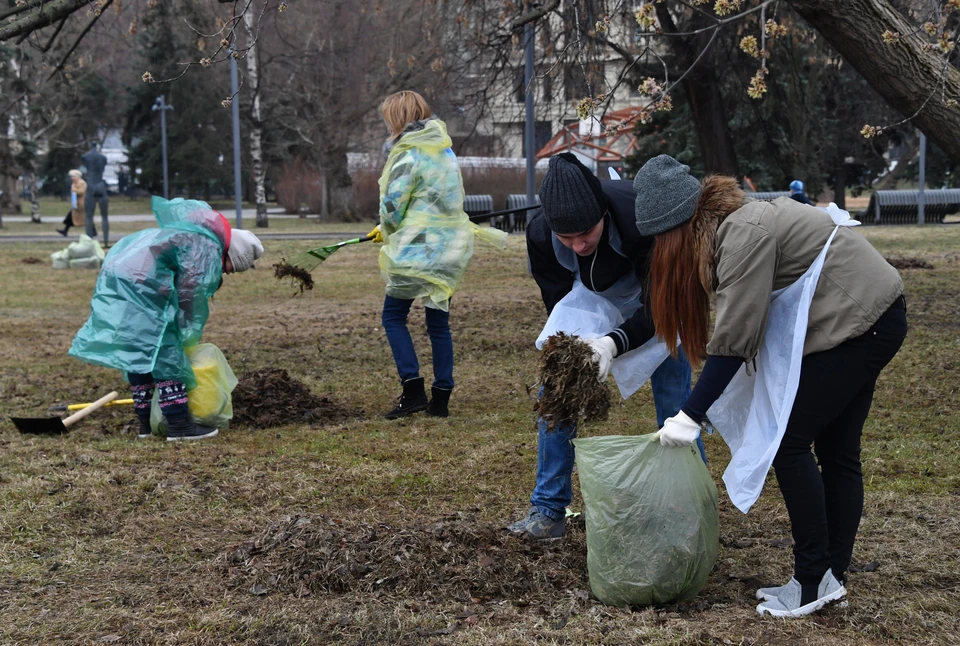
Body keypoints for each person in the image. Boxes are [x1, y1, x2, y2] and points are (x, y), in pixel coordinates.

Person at [633, 155, 906, 617]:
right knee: (837, 449)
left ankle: (811, 578)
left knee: (790, 443)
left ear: (680, 224)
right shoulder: (732, 227)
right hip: (871, 315)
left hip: (861, 321)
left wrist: (689, 415)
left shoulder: (742, 234)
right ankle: (827, 577)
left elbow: (735, 338)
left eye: (661, 237)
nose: (660, 248)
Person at [506, 152, 706, 541]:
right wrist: (577, 352)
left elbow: (657, 308)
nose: (579, 246)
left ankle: (689, 507)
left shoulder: (640, 219)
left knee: (675, 402)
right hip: (593, 296)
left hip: (654, 296)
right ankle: (548, 510)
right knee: (557, 388)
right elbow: (560, 305)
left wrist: (613, 345)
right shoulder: (539, 235)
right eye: (568, 238)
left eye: (587, 234)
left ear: (603, 216)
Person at [69, 197, 264, 441]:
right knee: (166, 347)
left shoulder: (193, 233)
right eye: (229, 267)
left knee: (140, 345)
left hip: (125, 274)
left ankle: (146, 424)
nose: (224, 271)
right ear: (229, 253)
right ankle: (179, 425)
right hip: (145, 284)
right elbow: (189, 289)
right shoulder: (207, 245)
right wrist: (185, 325)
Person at [367, 90, 506, 420]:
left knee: (393, 317)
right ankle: (441, 398)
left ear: (397, 119)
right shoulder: (445, 152)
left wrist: (385, 228)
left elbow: (392, 205)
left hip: (416, 249)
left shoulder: (406, 154)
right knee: (438, 325)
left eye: (389, 119)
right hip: (448, 252)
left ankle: (413, 389)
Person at [82, 143, 110, 245]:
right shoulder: (103, 158)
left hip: (91, 185)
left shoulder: (85, 156)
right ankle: (106, 241)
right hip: (100, 185)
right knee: (104, 216)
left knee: (89, 217)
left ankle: (89, 242)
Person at [56, 169, 86, 237]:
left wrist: (74, 189)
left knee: (84, 218)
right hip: (75, 204)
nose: (72, 178)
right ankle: (65, 230)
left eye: (73, 176)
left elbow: (81, 192)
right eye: (71, 177)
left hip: (81, 204)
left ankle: (93, 231)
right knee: (71, 217)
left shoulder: (82, 183)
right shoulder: (74, 184)